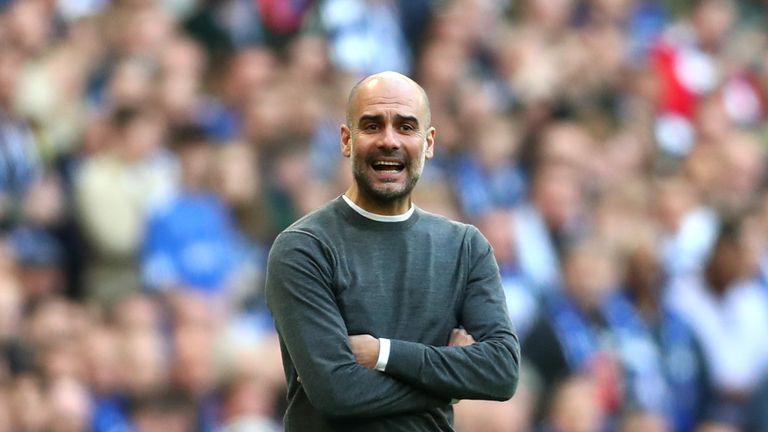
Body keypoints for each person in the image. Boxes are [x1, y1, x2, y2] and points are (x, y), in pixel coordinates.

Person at [265, 71, 520, 431]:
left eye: (405, 127)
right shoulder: (305, 247)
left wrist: (385, 353)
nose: (389, 140)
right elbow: (337, 391)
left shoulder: (465, 247)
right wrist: (449, 378)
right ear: (346, 140)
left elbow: (501, 371)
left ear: (429, 143)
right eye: (372, 125)